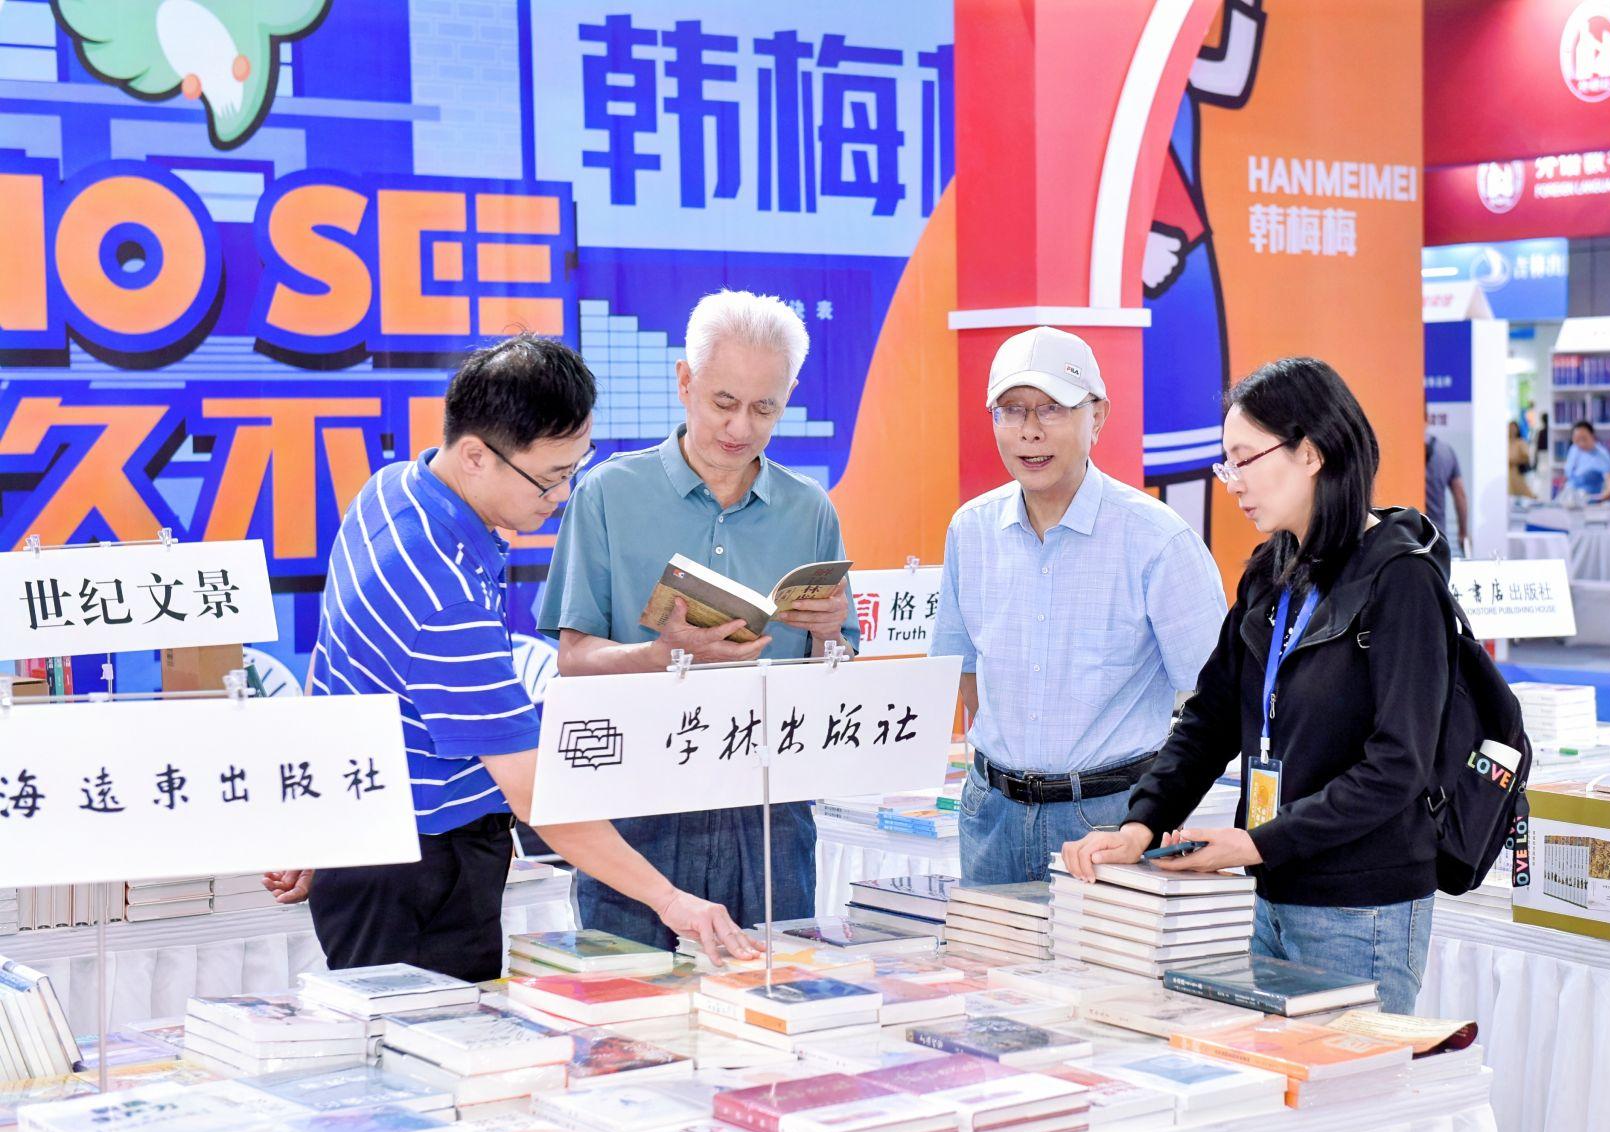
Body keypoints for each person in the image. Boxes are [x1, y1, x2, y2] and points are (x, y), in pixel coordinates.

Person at [271, 334, 762, 979]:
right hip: (417, 868)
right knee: (429, 1035)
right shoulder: (440, 597)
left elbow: (336, 667)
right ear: (476, 455)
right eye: (550, 477)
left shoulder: (392, 491)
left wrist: (323, 818)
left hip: (374, 833)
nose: (562, 496)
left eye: (575, 468)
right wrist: (672, 901)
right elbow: (536, 797)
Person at [1060, 356, 1455, 1014]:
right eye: (1226, 464)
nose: (1233, 482)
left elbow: (1398, 765)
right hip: (1270, 887)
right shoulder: (1272, 572)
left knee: (1349, 1078)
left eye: (1244, 459)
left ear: (1311, 453)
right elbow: (1210, 718)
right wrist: (1141, 824)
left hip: (1361, 905)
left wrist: (1255, 842)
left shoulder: (1402, 580)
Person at [534, 290, 860, 948]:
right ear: (684, 382)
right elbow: (572, 659)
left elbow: (841, 674)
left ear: (788, 399)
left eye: (764, 408)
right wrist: (659, 657)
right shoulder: (608, 494)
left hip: (770, 810)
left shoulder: (809, 510)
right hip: (636, 806)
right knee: (631, 1003)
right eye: (723, 402)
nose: (740, 427)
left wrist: (830, 635)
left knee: (777, 993)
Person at [929, 327, 1227, 885]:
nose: (1030, 431)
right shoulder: (970, 530)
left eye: (1052, 409)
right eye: (1011, 410)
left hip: (1111, 817)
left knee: (1105, 952)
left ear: (1098, 416)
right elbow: (964, 672)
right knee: (989, 949)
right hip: (991, 814)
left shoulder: (1158, 540)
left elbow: (1215, 697)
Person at [1423, 429, 1470, 555]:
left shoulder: (1401, 447)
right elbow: (1460, 495)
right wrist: (1463, 533)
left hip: (1404, 534)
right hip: (1436, 535)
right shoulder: (1445, 451)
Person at [1563, 420, 1610, 501]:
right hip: (1568, 498)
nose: (1580, 443)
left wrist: (1600, 499)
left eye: (1584, 439)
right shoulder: (1574, 449)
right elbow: (1569, 476)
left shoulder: (1601, 455)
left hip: (1588, 500)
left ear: (1592, 436)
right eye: (1577, 439)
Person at [1507, 419, 1533, 498]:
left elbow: (1526, 458)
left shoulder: (1521, 442)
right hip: (1507, 475)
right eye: (1510, 428)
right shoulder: (1504, 442)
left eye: (1513, 428)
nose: (1512, 430)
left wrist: (1513, 461)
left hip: (1517, 474)